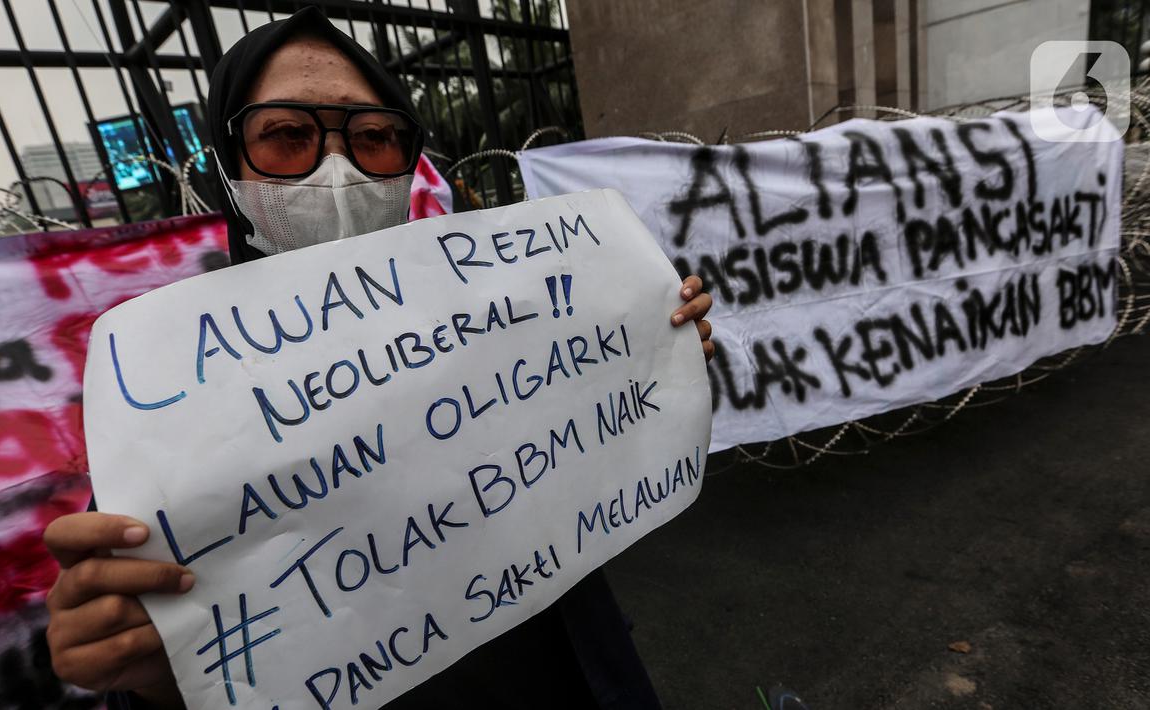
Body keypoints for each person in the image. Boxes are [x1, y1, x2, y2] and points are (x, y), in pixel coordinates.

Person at [44, 8, 714, 709]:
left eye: (374, 136)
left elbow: (585, 448)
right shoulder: (169, 392)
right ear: (227, 156)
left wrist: (653, 362)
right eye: (286, 134)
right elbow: (181, 644)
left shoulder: (504, 310)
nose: (337, 168)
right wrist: (148, 674)